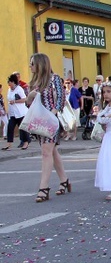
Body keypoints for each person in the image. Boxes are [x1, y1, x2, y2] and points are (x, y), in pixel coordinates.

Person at [25, 53, 70, 202]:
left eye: (32, 63)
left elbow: (61, 99)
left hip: (50, 120)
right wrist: (30, 96)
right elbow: (28, 104)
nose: (30, 66)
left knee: (46, 152)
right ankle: (64, 180)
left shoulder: (54, 78)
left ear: (40, 64)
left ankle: (43, 188)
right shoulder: (34, 81)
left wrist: (51, 115)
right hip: (38, 121)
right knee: (52, 151)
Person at [4, 74, 30, 150]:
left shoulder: (19, 89)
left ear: (13, 82)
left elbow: (24, 99)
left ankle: (26, 142)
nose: (8, 83)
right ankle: (9, 143)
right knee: (10, 127)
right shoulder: (9, 90)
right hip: (12, 113)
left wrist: (15, 101)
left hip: (20, 113)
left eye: (9, 82)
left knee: (22, 128)